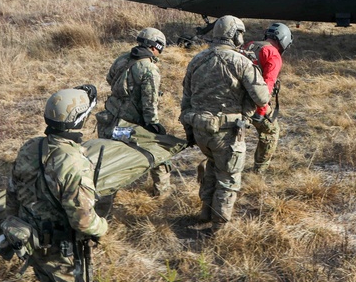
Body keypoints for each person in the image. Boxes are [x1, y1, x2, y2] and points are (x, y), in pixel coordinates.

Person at [5, 85, 108, 282]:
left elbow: (12, 191)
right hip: (59, 243)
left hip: (28, 236)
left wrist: (14, 220)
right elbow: (84, 222)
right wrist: (103, 227)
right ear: (78, 120)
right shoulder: (73, 161)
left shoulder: (30, 147)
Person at [180, 15, 270, 231]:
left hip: (200, 129)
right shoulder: (241, 62)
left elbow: (186, 97)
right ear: (235, 35)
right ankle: (219, 226)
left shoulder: (197, 59)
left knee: (212, 167)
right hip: (227, 132)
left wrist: (189, 128)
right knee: (228, 177)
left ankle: (205, 213)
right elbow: (262, 98)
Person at [96, 27, 171, 196]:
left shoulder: (122, 58)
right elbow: (149, 102)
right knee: (159, 151)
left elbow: (110, 78)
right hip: (129, 126)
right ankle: (162, 192)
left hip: (108, 119)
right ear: (156, 47)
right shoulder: (150, 69)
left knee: (108, 160)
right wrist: (153, 125)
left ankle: (104, 193)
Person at [243, 22, 292, 173]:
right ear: (283, 39)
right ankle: (260, 169)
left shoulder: (249, 45)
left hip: (234, 99)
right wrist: (261, 110)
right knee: (271, 131)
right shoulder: (273, 54)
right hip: (255, 102)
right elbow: (267, 85)